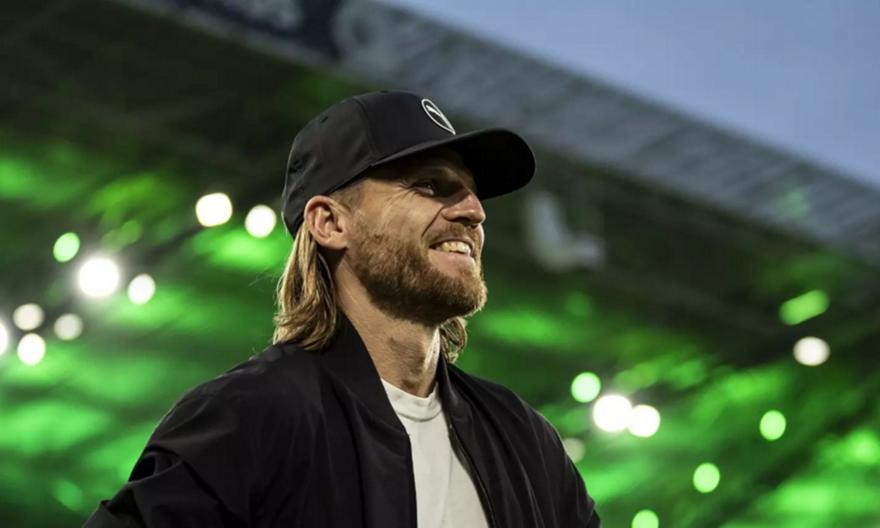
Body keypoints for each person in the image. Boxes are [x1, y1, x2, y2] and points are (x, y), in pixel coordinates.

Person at [84, 90, 600, 527]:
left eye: (471, 193)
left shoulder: (525, 441)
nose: (474, 211)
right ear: (330, 223)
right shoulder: (252, 415)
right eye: (431, 185)